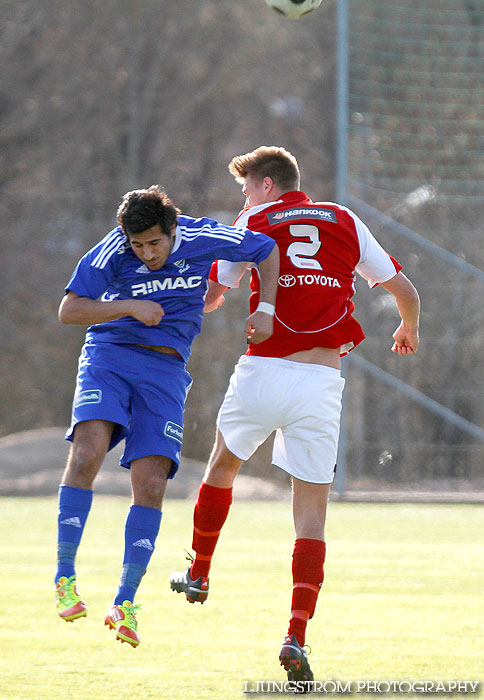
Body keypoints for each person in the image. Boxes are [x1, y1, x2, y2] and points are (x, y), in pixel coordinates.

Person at [169, 146, 420, 688]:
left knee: (220, 471)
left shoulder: (256, 220)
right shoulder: (345, 220)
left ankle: (199, 572)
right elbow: (405, 290)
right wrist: (408, 329)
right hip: (320, 382)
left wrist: (169, 293)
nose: (244, 199)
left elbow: (214, 295)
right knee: (311, 515)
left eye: (245, 189)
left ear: (265, 184)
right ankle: (297, 633)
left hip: (264, 370)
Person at [54, 185, 279, 647]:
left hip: (165, 369)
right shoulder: (113, 250)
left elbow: (267, 248)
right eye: (138, 245)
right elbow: (70, 310)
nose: (146, 253)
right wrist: (129, 306)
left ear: (172, 231)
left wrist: (267, 309)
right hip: (109, 356)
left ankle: (125, 602)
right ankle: (65, 577)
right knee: (87, 453)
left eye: (154, 243)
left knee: (153, 482)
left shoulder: (201, 237)